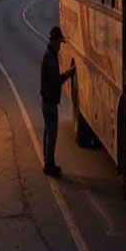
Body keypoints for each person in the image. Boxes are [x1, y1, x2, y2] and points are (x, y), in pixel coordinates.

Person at [39, 26, 76, 177]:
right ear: (54, 41)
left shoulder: (49, 55)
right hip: (49, 103)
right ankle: (49, 165)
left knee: (48, 133)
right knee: (52, 134)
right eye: (59, 42)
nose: (60, 45)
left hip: (47, 101)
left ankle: (48, 161)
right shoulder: (50, 58)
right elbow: (55, 80)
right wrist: (68, 74)